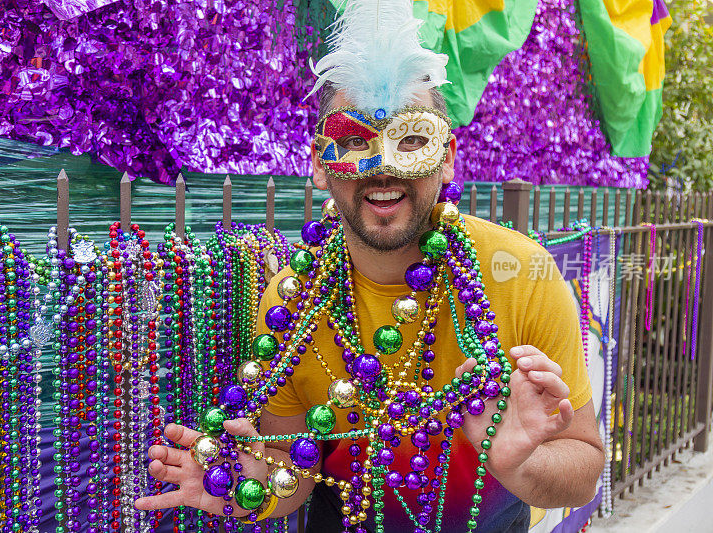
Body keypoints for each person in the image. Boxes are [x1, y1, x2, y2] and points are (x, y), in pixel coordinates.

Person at [135, 1, 604, 531]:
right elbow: (296, 475)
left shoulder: (518, 275)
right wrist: (252, 489)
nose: (382, 167)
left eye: (410, 140)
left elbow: (584, 470)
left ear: (448, 155)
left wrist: (520, 461)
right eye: (355, 142)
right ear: (317, 164)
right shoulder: (293, 305)